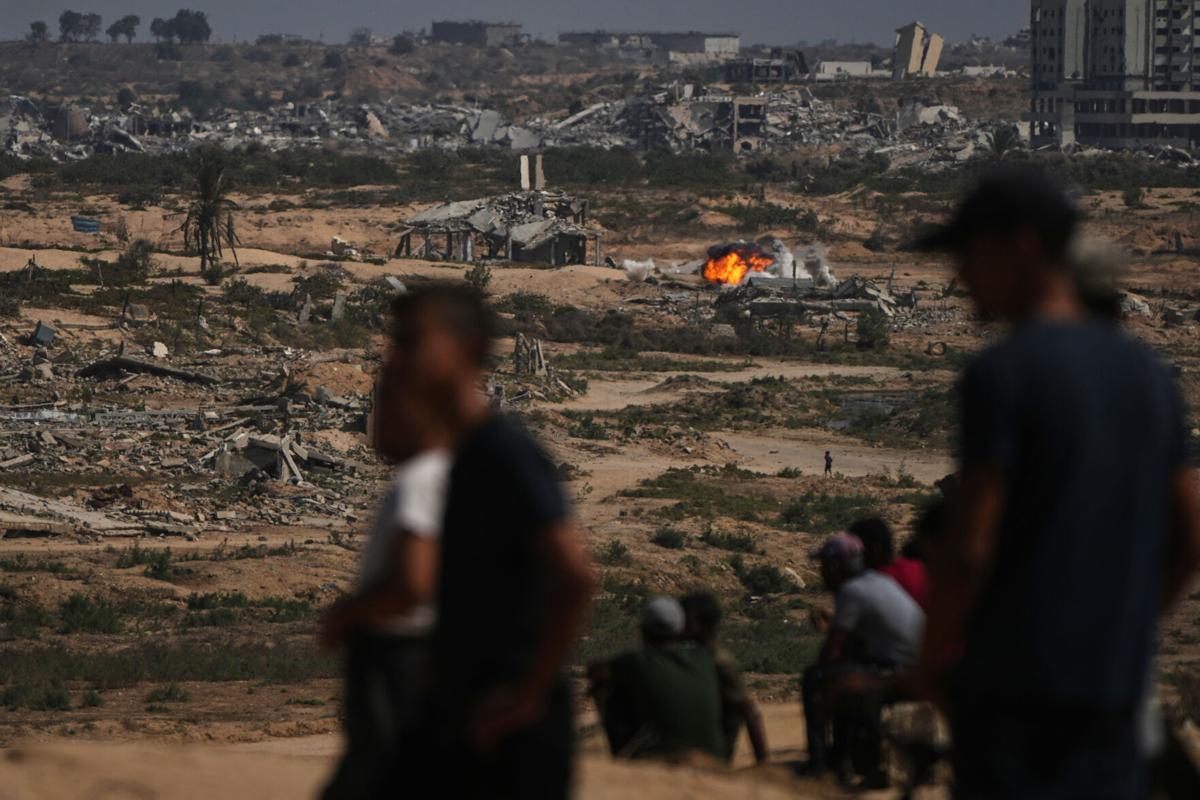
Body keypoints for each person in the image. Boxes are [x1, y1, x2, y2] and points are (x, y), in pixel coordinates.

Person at [912, 167, 1200, 799]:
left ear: (1022, 247)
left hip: (1015, 693)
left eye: (969, 254)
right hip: (1113, 692)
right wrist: (1121, 628)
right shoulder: (1149, 374)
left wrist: (932, 659)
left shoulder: (1003, 373)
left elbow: (970, 550)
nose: (960, 275)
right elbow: (1189, 539)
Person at [387, 286, 594, 800]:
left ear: (467, 350)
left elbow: (575, 576)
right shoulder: (456, 457)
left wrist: (529, 694)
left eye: (412, 342)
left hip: (508, 728)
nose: (397, 358)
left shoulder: (502, 452)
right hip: (464, 711)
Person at [317, 315, 454, 800]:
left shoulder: (421, 479)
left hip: (399, 660)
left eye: (383, 406)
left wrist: (347, 616)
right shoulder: (443, 474)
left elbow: (413, 583)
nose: (373, 422)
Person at [802, 533, 925, 783]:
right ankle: (841, 756)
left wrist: (827, 669)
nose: (821, 572)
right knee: (844, 672)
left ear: (834, 565)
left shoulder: (852, 591)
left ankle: (820, 766)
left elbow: (832, 651)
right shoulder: (879, 581)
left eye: (823, 565)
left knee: (816, 680)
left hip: (900, 672)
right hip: (917, 665)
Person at [588, 596, 726, 763]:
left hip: (660, 758)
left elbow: (596, 671)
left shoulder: (635, 660)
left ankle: (625, 753)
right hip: (713, 760)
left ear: (643, 629)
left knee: (605, 686)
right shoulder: (704, 657)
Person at [680, 591, 769, 765]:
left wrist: (763, 763)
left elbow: (749, 711)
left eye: (684, 619)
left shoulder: (719, 662)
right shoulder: (692, 655)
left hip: (711, 757)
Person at [849, 517, 929, 609]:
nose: (853, 556)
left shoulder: (869, 586)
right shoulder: (918, 569)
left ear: (875, 550)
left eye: (856, 551)